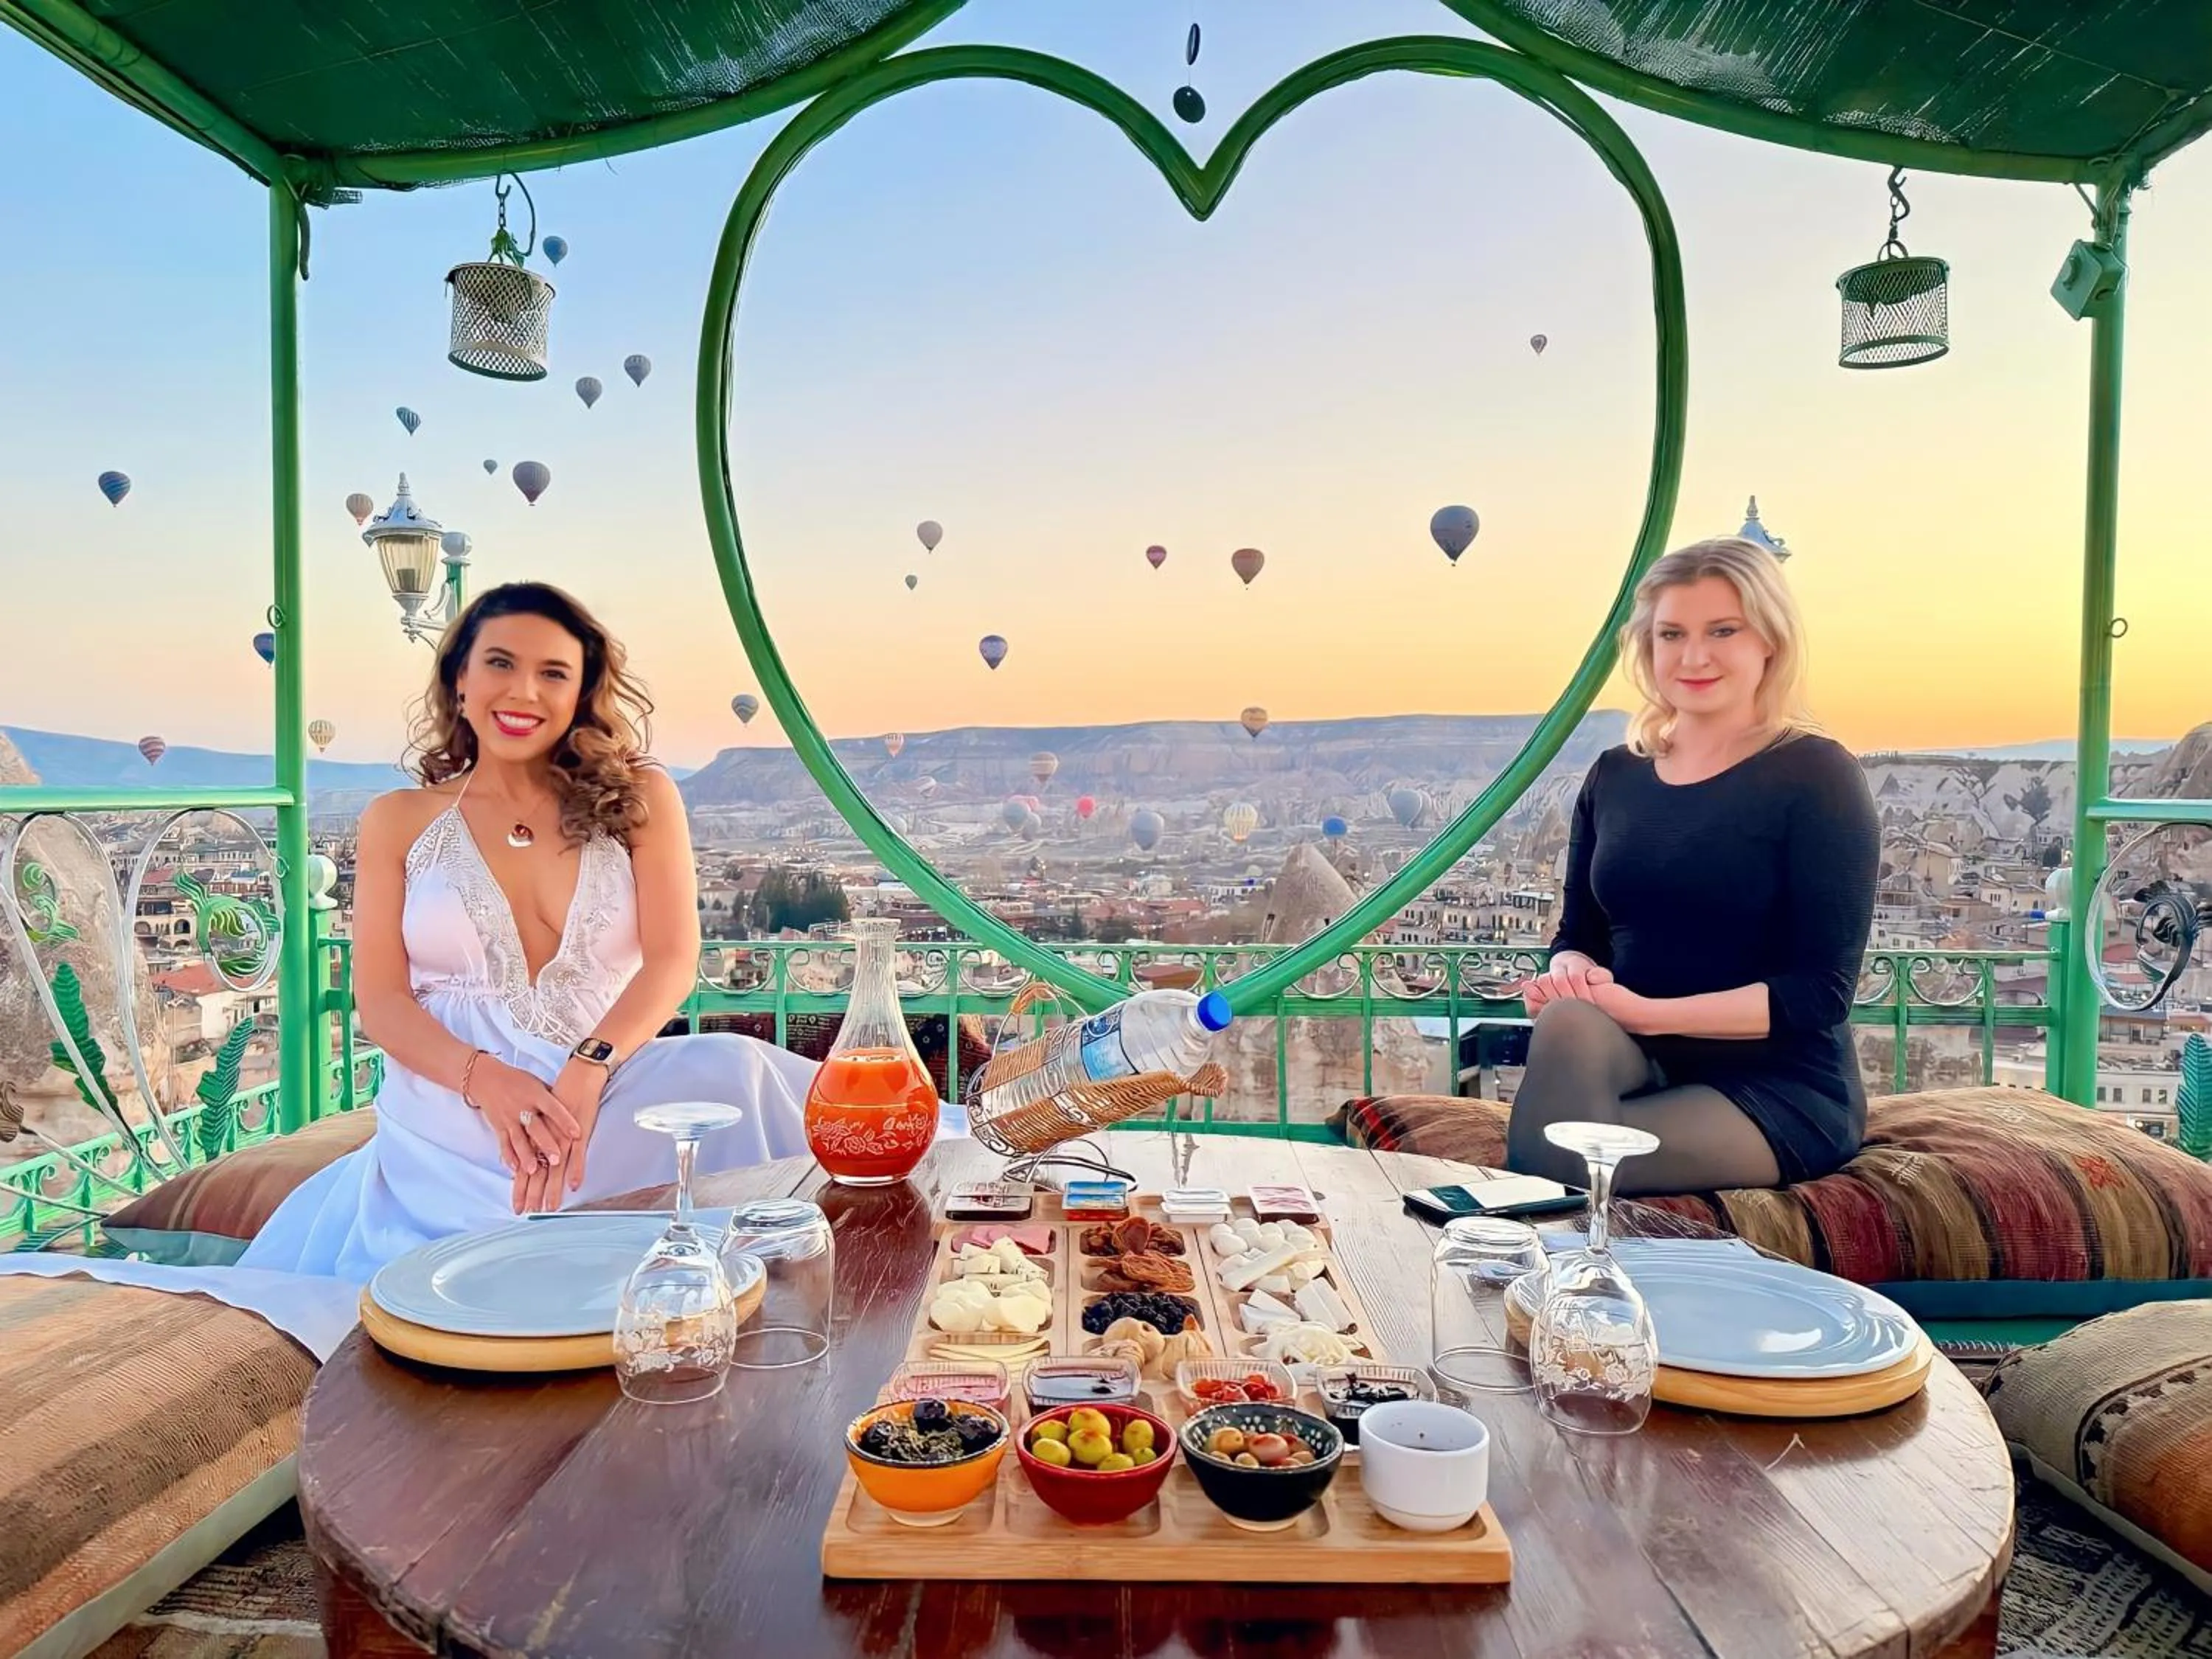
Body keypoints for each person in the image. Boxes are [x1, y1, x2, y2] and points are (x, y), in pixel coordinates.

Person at [239, 582, 818, 1281]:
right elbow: (383, 1004)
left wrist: (589, 1065)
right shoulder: (397, 819)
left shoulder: (640, 799)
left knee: (736, 1071)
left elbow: (672, 960)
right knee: (486, 1268)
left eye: (553, 673)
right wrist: (486, 1081)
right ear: (459, 681)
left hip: (609, 1088)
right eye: (501, 664)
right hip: (454, 1106)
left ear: (581, 694)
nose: (524, 692)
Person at [1505, 538, 1878, 1196]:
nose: (1694, 655)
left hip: (1772, 1084)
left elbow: (1819, 993)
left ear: (1770, 640)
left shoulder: (1817, 775)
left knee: (1572, 1156)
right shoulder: (1615, 776)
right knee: (1565, 1027)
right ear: (1646, 646)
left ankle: (1517, 1262)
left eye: (1722, 630)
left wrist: (1645, 1012)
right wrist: (1571, 979)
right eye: (1671, 633)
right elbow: (1577, 938)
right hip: (1635, 1055)